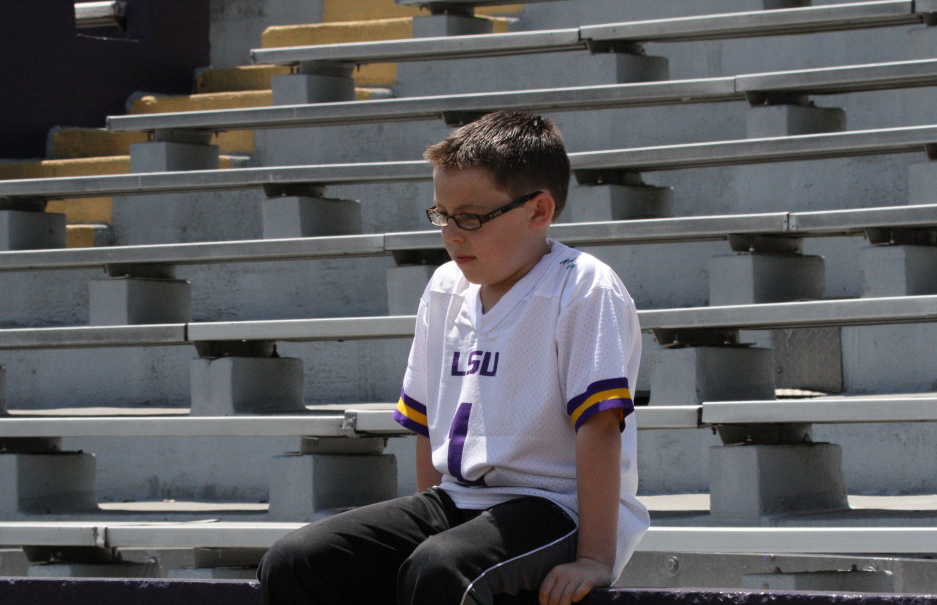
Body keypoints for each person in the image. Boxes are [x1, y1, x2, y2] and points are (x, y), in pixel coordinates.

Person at [257, 110, 649, 605]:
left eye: (471, 217)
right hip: (457, 499)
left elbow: (600, 429)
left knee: (442, 568)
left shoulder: (583, 286)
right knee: (297, 560)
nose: (452, 234)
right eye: (442, 215)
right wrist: (427, 528)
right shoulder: (445, 286)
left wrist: (595, 557)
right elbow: (424, 421)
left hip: (555, 508)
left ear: (538, 211)